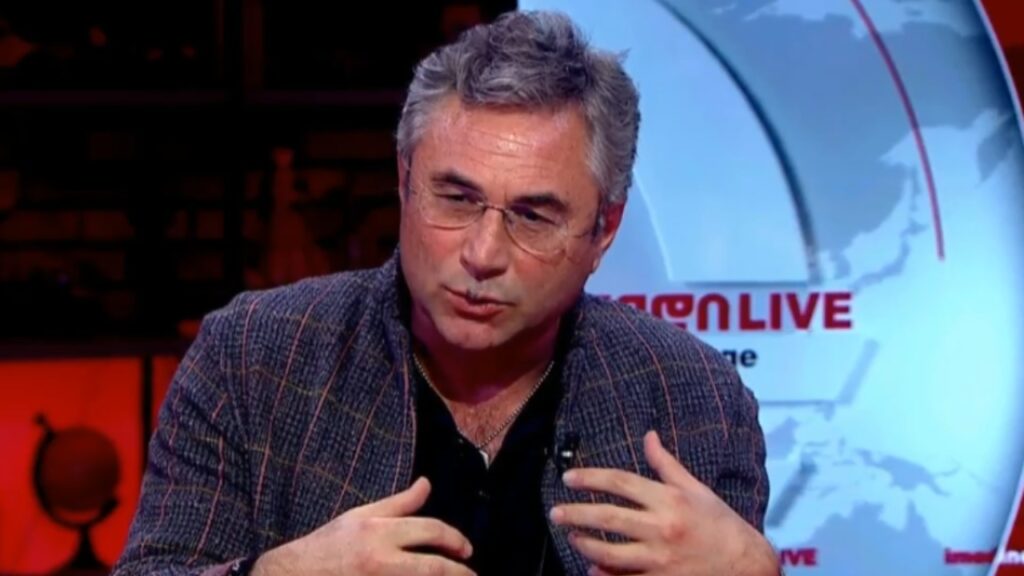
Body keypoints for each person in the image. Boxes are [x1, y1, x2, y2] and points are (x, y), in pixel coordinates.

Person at [112, 9, 781, 576]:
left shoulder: (693, 397)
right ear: (404, 182)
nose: (482, 255)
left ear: (603, 231)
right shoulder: (253, 358)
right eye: (456, 200)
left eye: (532, 216)